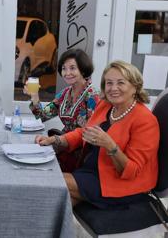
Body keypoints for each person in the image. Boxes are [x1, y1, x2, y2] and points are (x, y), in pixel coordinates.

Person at [36, 60, 159, 208]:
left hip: (119, 183)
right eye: (109, 83)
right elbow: (84, 131)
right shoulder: (106, 105)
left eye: (121, 83)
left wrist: (110, 145)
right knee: (53, 204)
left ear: (135, 87)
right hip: (90, 170)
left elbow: (131, 171)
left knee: (49, 182)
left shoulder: (145, 121)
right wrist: (56, 140)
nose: (113, 88)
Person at [24, 49, 99, 171]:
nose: (67, 73)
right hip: (63, 146)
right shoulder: (65, 93)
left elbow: (90, 134)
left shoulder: (93, 95)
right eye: (64, 68)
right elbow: (43, 115)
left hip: (82, 154)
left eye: (72, 68)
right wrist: (34, 95)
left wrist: (55, 140)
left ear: (83, 69)